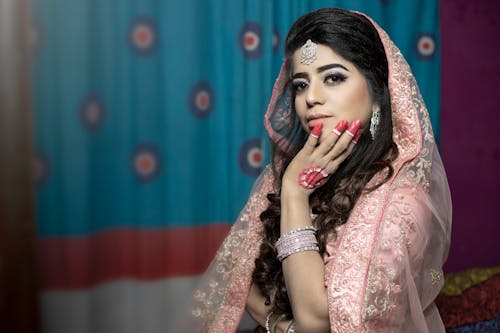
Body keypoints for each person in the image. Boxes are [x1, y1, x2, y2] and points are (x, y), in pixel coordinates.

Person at [179, 7, 452, 333]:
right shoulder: (285, 173)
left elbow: (316, 322)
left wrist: (295, 193)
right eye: (300, 84)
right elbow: (237, 283)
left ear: (378, 93)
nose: (311, 98)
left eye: (333, 77)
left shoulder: (404, 201)